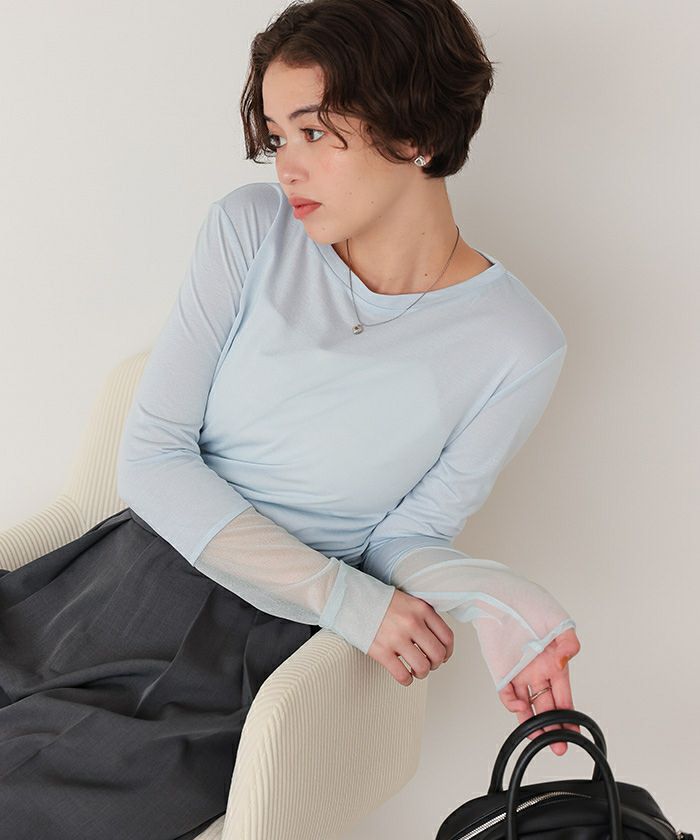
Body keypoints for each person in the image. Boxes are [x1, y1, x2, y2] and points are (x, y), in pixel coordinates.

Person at [0, 0, 581, 837]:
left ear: (416, 132)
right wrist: (346, 599)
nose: (287, 169)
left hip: (248, 654)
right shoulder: (251, 230)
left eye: (313, 132)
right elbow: (154, 458)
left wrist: (498, 598)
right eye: (277, 137)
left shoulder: (517, 343)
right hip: (116, 584)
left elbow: (403, 538)